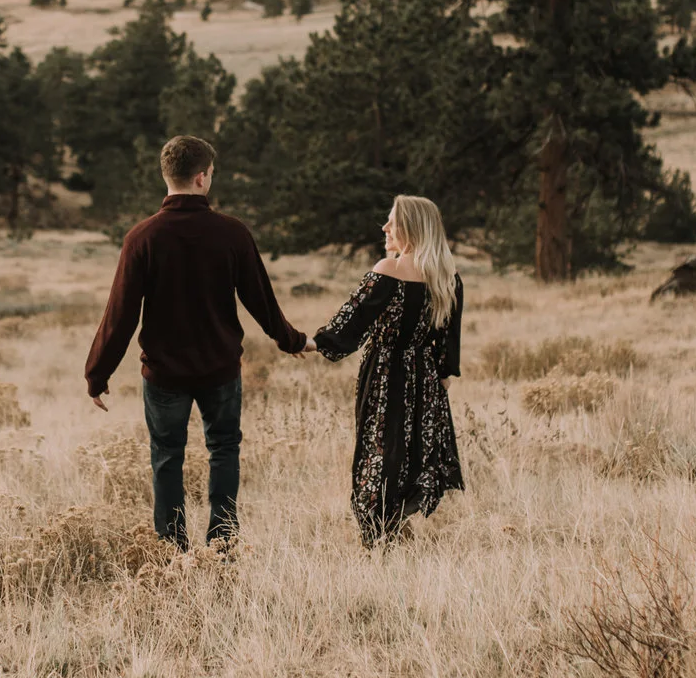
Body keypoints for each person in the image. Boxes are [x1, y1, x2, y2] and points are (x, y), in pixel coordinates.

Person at [84, 135, 310, 549]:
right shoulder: (232, 233)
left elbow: (120, 314)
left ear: (166, 176)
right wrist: (291, 339)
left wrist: (97, 373)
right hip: (219, 369)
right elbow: (260, 299)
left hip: (164, 372)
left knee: (167, 458)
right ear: (203, 178)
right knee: (224, 450)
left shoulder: (142, 237)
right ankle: (222, 542)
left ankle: (172, 549)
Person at [313, 194, 465, 546]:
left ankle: (378, 537)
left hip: (385, 374)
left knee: (378, 451)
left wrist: (312, 343)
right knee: (414, 453)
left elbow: (350, 323)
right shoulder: (447, 277)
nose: (385, 227)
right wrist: (436, 381)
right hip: (425, 378)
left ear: (410, 227)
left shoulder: (389, 270)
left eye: (392, 221)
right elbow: (448, 348)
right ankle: (396, 528)